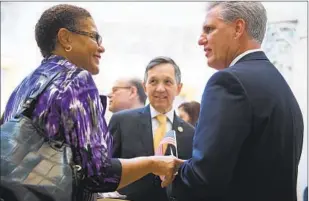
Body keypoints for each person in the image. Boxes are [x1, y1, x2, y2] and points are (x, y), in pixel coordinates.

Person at [1, 4, 182, 201]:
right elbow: (98, 174)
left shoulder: (24, 86)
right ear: (65, 38)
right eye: (94, 37)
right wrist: (153, 163)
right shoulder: (77, 80)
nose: (101, 46)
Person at [168, 2, 304, 201]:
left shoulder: (228, 82)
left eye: (209, 29)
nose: (200, 40)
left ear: (238, 28)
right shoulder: (278, 84)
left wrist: (171, 173)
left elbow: (204, 179)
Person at [109, 56, 195, 201]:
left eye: (167, 82)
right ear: (145, 86)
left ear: (178, 88)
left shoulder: (191, 133)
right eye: (153, 81)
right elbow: (106, 168)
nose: (160, 89)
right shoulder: (122, 121)